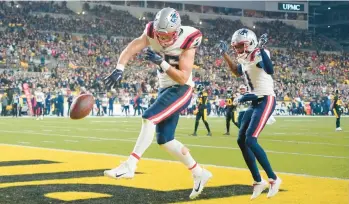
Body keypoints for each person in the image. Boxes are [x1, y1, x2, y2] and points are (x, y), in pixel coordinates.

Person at [103, 7, 212, 199]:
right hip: (164, 89)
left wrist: (161, 63)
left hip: (181, 88)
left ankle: (130, 165)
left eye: (167, 35)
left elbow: (182, 77)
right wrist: (120, 68)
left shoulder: (189, 38)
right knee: (165, 140)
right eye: (160, 34)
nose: (162, 39)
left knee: (148, 118)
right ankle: (199, 173)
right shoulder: (151, 31)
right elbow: (131, 47)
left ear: (177, 31)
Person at [219, 29, 281, 200]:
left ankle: (274, 179)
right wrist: (224, 54)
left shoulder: (260, 53)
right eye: (236, 46)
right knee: (241, 140)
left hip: (266, 99)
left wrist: (261, 49)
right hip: (255, 100)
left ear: (250, 43)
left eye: (240, 46)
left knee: (251, 139)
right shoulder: (243, 57)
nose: (238, 49)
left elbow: (269, 69)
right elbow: (236, 71)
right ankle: (257, 180)